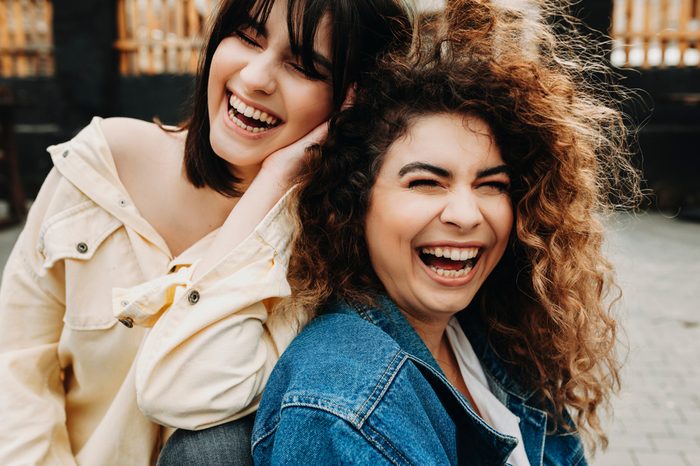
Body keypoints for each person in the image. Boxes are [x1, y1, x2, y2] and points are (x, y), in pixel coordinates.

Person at [0, 0, 412, 464]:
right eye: (249, 38)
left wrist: (276, 180)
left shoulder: (321, 256)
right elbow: (16, 363)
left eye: (303, 66)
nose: (256, 77)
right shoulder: (104, 165)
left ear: (351, 103)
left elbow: (189, 393)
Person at [251, 1, 641, 464]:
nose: (466, 213)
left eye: (491, 185)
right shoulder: (344, 402)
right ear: (355, 202)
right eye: (425, 182)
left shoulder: (493, 339)